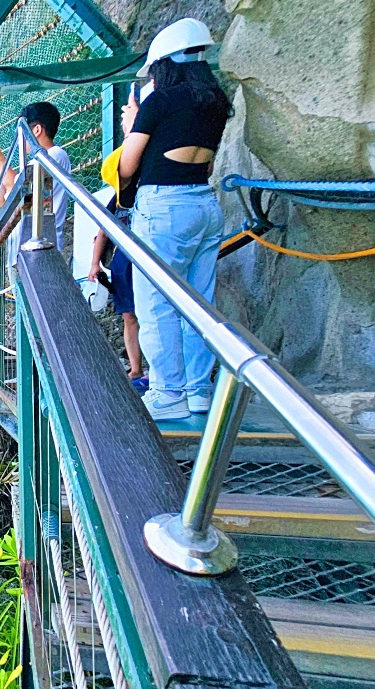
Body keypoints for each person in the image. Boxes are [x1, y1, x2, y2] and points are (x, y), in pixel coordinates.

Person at [119, 17, 230, 421]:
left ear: (165, 64)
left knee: (156, 305)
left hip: (164, 207)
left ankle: (168, 392)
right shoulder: (216, 101)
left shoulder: (159, 102)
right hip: (204, 203)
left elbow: (127, 167)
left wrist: (133, 126)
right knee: (199, 302)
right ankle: (198, 391)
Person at [89, 147, 146, 392]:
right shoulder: (120, 197)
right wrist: (94, 263)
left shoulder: (149, 189)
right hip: (123, 264)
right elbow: (102, 231)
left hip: (142, 259)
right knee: (129, 316)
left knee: (148, 316)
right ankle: (136, 368)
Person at [0, 102, 72, 256]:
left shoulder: (54, 155)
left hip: (41, 248)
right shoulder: (34, 163)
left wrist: (0, 161)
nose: (19, 140)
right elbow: (1, 202)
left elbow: (17, 187)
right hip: (23, 249)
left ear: (37, 130)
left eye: (22, 133)